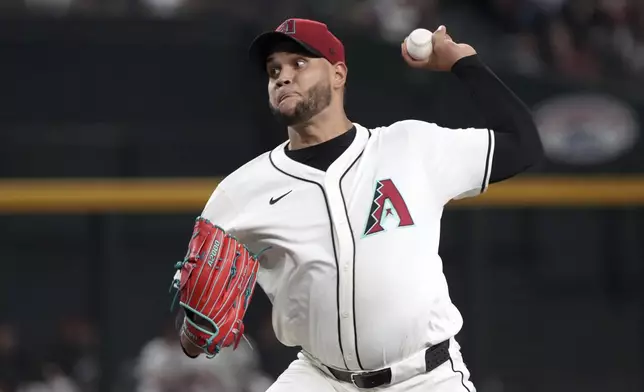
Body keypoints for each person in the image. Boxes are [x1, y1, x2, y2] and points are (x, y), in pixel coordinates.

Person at [179, 18, 543, 392]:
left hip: (425, 378)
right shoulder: (241, 191)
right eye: (274, 70)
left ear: (338, 74)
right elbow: (194, 331)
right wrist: (194, 330)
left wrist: (464, 63)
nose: (283, 77)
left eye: (299, 63)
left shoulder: (410, 146)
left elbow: (523, 144)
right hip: (321, 378)